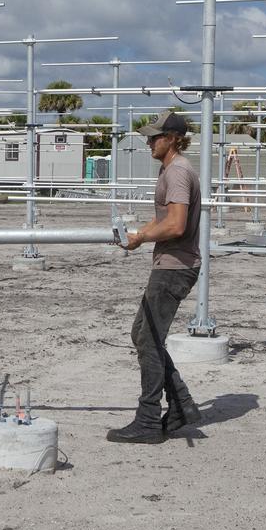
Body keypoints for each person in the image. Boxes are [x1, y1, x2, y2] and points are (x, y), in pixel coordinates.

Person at [108, 111, 204, 444]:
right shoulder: (172, 170)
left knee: (148, 339)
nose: (150, 141)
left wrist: (144, 238)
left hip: (174, 267)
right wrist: (139, 235)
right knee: (142, 334)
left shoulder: (177, 172)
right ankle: (181, 404)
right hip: (172, 264)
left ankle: (149, 419)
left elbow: (176, 225)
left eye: (155, 136)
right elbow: (163, 217)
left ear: (174, 138)